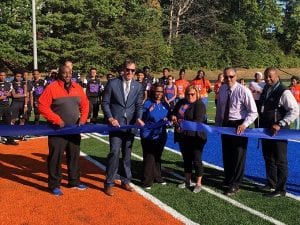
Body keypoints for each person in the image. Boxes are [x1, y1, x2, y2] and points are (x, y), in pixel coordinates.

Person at [38, 65, 89, 196]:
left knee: (74, 156)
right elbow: (42, 106)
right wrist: (56, 120)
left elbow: (85, 104)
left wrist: (83, 119)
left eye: (69, 73)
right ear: (59, 74)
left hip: (73, 129)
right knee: (55, 157)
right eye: (64, 73)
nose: (67, 75)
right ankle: (54, 184)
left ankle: (74, 181)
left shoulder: (77, 87)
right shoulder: (52, 87)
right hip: (57, 130)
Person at [101, 59, 144, 196]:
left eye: (132, 70)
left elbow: (138, 105)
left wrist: (138, 118)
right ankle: (109, 182)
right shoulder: (113, 83)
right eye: (127, 69)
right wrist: (110, 118)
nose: (129, 72)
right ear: (123, 69)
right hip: (115, 125)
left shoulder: (137, 86)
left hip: (130, 125)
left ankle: (126, 180)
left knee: (127, 154)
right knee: (114, 152)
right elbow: (105, 103)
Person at [215, 67, 257, 196]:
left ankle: (236, 183)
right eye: (226, 77)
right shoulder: (222, 89)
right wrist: (218, 125)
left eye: (231, 76)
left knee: (238, 156)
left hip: (239, 125)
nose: (229, 79)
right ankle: (228, 178)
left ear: (236, 76)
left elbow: (253, 112)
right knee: (227, 154)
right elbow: (220, 109)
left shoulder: (243, 90)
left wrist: (244, 124)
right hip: (226, 125)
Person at [258, 67, 299, 197]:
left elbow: (294, 110)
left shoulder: (284, 91)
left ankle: (281, 189)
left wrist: (280, 123)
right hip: (266, 130)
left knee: (280, 160)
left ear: (277, 76)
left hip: (279, 131)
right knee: (268, 157)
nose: (268, 79)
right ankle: (271, 183)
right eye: (266, 76)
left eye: (270, 76)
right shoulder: (266, 89)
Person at [172, 85, 207, 193]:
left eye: (192, 94)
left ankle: (198, 183)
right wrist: (173, 116)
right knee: (186, 159)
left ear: (197, 94)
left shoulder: (199, 105)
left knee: (196, 159)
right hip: (183, 136)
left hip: (196, 137)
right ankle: (187, 180)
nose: (190, 96)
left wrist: (181, 129)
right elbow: (174, 112)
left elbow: (197, 122)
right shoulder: (181, 102)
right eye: (188, 94)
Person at [140, 84, 170, 189]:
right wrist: (148, 111)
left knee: (157, 156)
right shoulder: (147, 103)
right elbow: (141, 118)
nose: (159, 94)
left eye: (161, 92)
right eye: (157, 91)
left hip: (161, 134)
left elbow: (169, 117)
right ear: (153, 92)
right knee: (149, 157)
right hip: (148, 134)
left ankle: (158, 176)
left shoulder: (165, 104)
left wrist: (168, 120)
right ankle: (147, 181)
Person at [0, 69, 18, 145]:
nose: (2, 77)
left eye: (4, 75)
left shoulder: (9, 84)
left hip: (6, 106)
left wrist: (8, 94)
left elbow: (12, 94)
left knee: (8, 123)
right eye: (1, 75)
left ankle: (10, 139)